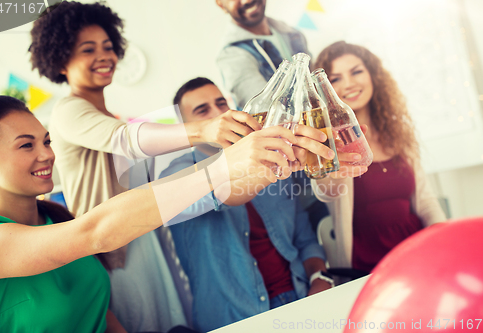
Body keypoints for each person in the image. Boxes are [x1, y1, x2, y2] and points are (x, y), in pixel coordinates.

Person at [28, 2, 265, 331]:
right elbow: (124, 139)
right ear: (60, 59)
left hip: (146, 241)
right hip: (113, 253)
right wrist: (205, 129)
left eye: (109, 47)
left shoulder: (110, 118)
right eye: (88, 49)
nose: (104, 56)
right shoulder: (68, 110)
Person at [0, 95, 300, 332]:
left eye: (47, 141)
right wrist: (223, 165)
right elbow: (97, 232)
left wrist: (280, 160)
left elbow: (103, 316)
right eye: (26, 145)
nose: (47, 154)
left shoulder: (57, 219)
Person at [160, 78, 367, 332]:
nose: (220, 115)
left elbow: (304, 239)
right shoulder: (177, 174)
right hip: (234, 319)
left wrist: (319, 277)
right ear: (188, 128)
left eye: (221, 103)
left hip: (300, 299)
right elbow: (220, 194)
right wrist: (271, 167)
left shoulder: (272, 157)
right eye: (203, 110)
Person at [312, 41, 447, 273]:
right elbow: (326, 193)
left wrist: (444, 242)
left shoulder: (398, 133)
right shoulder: (327, 140)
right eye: (335, 79)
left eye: (356, 72)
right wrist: (331, 165)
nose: (349, 83)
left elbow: (426, 203)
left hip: (417, 255)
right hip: (366, 268)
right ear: (324, 89)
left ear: (373, 75)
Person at [216, 0, 329, 233]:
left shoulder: (292, 33)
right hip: (292, 178)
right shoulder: (233, 54)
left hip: (327, 158)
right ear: (220, 4)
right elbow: (270, 117)